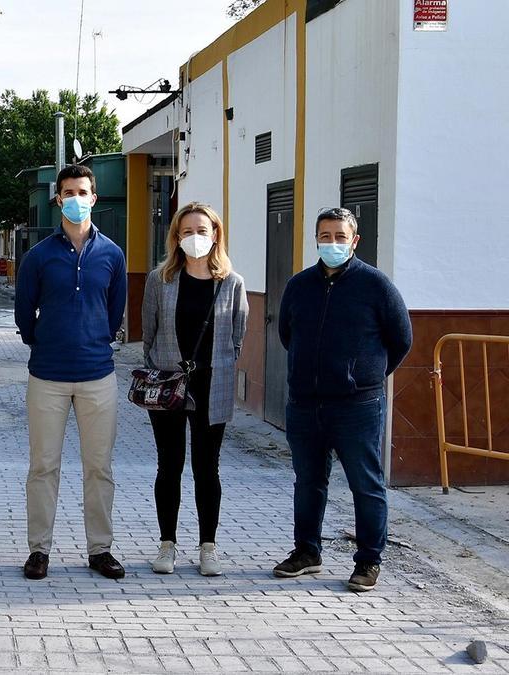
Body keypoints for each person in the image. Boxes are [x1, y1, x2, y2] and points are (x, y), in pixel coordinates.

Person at [273, 207, 411, 592]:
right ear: (315, 239)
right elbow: (288, 335)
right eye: (325, 236)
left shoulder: (376, 286)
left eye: (339, 236)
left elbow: (401, 339)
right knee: (308, 482)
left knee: (365, 484)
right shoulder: (299, 286)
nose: (331, 243)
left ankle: (368, 560)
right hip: (304, 403)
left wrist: (363, 375)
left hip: (357, 406)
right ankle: (307, 552)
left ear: (354, 241)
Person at [14, 163, 128, 580]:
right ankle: (38, 551)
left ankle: (100, 550)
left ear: (93, 198)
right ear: (58, 198)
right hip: (47, 377)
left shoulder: (112, 254)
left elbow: (115, 311)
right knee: (43, 466)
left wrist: (95, 342)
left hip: (99, 377)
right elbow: (25, 316)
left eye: (83, 192)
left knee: (99, 468)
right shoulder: (38, 256)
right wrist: (43, 344)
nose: (76, 199)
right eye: (68, 192)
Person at [141, 202, 248, 577]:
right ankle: (166, 544)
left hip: (210, 385)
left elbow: (237, 337)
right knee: (168, 466)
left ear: (215, 233)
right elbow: (149, 333)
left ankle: (208, 547)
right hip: (168, 385)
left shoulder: (231, 282)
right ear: (176, 237)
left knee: (207, 468)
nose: (195, 238)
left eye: (202, 230)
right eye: (187, 232)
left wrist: (211, 366)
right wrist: (163, 370)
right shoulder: (160, 279)